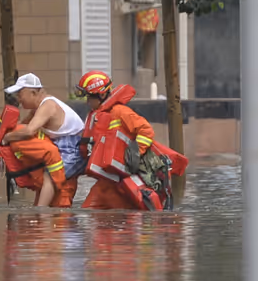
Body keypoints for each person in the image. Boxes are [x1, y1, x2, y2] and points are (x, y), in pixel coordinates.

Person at [75, 70, 187, 210]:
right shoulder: (97, 116)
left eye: (90, 97)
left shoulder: (120, 112)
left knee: (131, 217)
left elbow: (145, 130)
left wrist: (135, 152)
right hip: (108, 181)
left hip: (123, 179)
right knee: (90, 214)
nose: (87, 102)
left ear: (102, 94)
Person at [0, 73, 85, 207]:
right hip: (62, 145)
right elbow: (22, 126)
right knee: (44, 177)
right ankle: (40, 210)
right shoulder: (38, 108)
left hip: (74, 148)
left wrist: (6, 138)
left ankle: (41, 212)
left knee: (49, 176)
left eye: (20, 94)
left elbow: (29, 131)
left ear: (33, 93)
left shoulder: (47, 105)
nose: (18, 99)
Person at [0, 106, 67, 207]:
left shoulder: (17, 142)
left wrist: (42, 208)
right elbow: (40, 172)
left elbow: (52, 154)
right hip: (49, 191)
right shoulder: (9, 142)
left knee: (44, 217)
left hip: (61, 193)